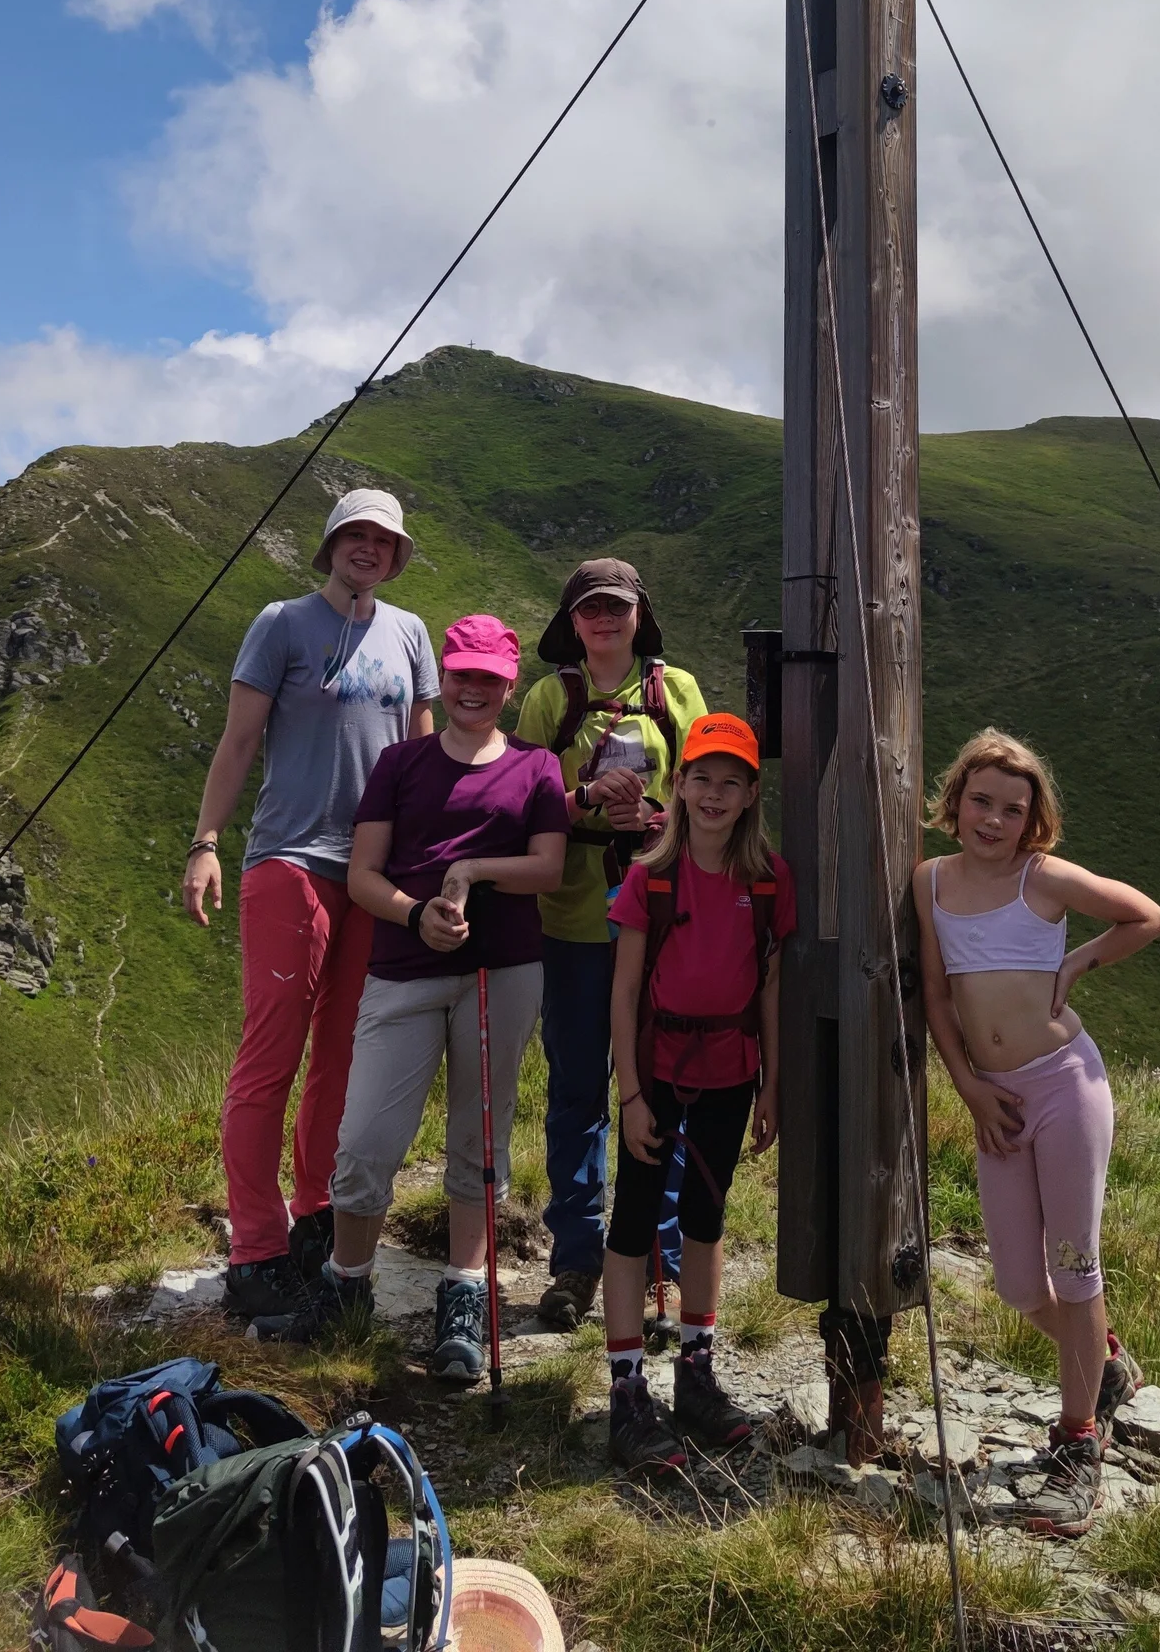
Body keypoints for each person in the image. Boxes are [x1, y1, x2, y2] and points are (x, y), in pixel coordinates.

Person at [260, 615, 568, 1372]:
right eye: (461, 674)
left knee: (478, 1142)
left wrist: (471, 874)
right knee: (364, 1142)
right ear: (446, 676)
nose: (472, 689)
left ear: (509, 684)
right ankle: (346, 1286)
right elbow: (364, 873)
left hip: (504, 969)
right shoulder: (401, 764)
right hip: (402, 968)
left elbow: (549, 868)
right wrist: (413, 913)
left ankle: (464, 1295)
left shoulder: (536, 768)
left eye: (488, 679)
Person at [182, 487, 438, 1322]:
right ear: (329, 546)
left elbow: (423, 758)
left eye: (384, 541)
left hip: (375, 872)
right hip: (291, 860)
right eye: (353, 536)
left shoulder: (408, 634)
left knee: (342, 1055)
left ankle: (315, 1215)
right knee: (272, 1053)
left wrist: (430, 866)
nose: (368, 549)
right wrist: (206, 843)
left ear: (397, 557)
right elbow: (240, 739)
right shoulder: (281, 623)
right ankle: (254, 1247)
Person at [912, 728, 1160, 1540]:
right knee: (1022, 1288)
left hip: (1065, 1090)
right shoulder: (928, 882)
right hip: (997, 1101)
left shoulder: (1043, 878)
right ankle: (1108, 1365)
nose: (994, 820)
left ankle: (1077, 1444)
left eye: (1013, 809)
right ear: (955, 803)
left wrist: (1078, 964)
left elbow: (1146, 917)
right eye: (981, 801)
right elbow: (935, 996)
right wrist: (970, 1091)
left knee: (1075, 1269)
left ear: (1034, 821)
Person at [516, 559, 706, 1332]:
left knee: (665, 1090)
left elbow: (713, 795)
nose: (603, 620)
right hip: (571, 921)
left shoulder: (680, 692)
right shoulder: (546, 700)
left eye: (616, 608)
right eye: (589, 608)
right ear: (570, 620)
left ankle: (655, 1257)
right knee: (576, 1090)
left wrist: (656, 821)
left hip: (661, 922)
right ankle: (576, 1259)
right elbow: (521, 806)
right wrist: (587, 800)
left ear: (638, 615)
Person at [603, 712, 791, 1472]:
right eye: (701, 778)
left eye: (732, 782)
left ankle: (695, 1374)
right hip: (657, 1068)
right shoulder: (648, 876)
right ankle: (625, 1391)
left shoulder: (770, 880)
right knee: (634, 1219)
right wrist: (630, 1096)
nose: (714, 794)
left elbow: (771, 988)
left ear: (751, 795)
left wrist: (772, 1083)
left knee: (707, 1218)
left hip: (729, 1071)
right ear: (677, 786)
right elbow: (621, 996)